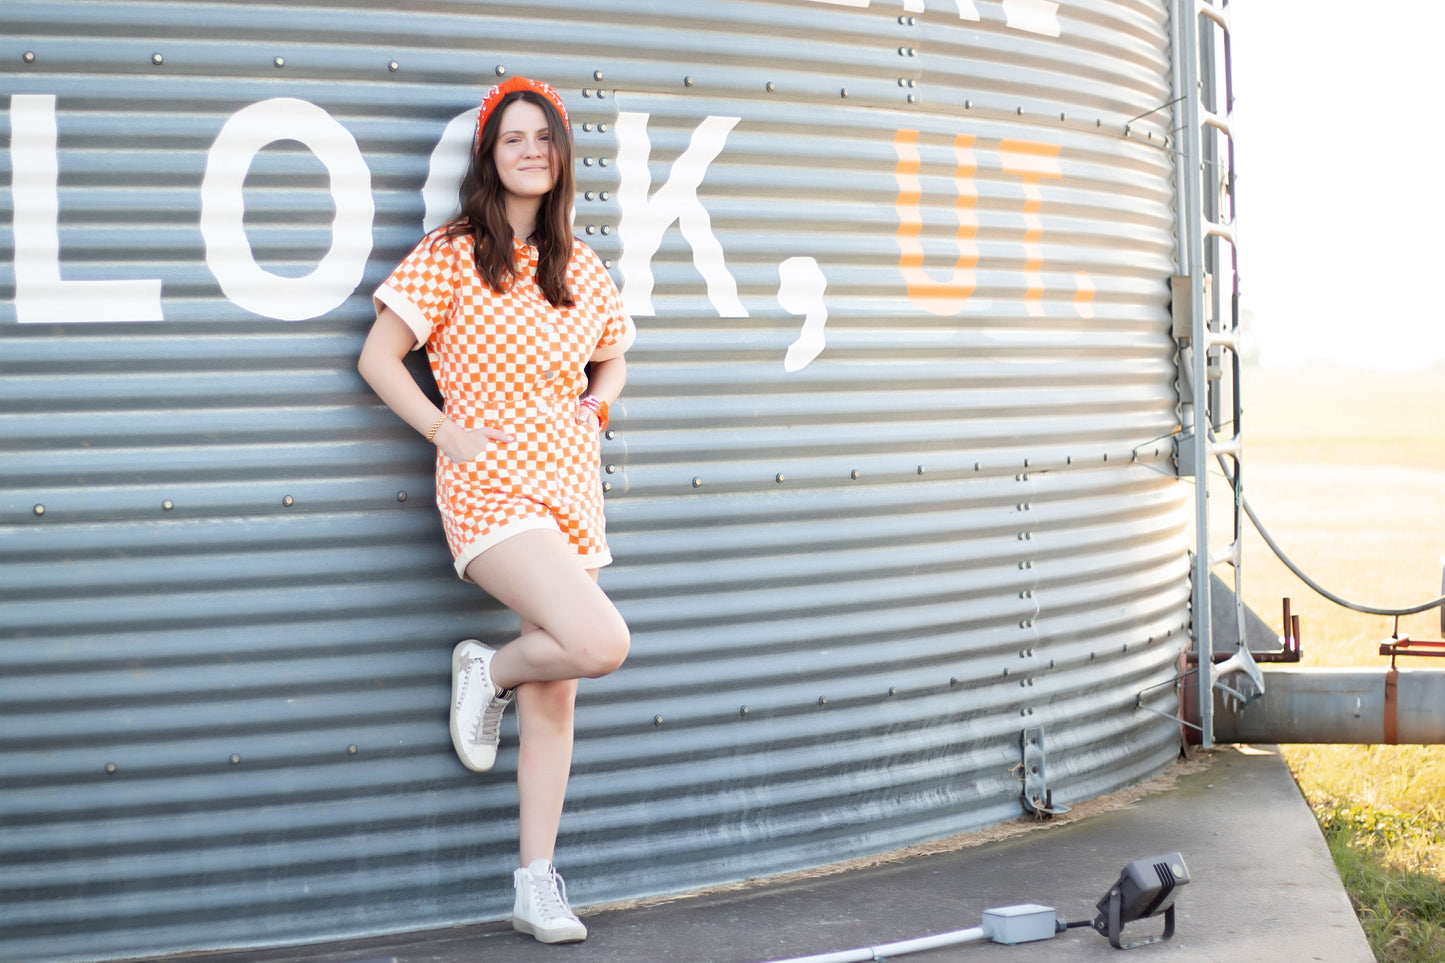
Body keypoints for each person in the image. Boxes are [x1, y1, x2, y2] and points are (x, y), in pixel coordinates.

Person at [357, 76, 633, 945]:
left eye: (543, 139)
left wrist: (596, 405)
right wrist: (445, 430)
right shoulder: (450, 252)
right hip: (491, 489)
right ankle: (487, 670)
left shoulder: (577, 265)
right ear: (489, 154)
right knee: (599, 642)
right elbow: (378, 355)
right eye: (513, 139)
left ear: (560, 155)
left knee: (558, 695)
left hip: (570, 483)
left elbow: (613, 359)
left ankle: (534, 881)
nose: (530, 152)